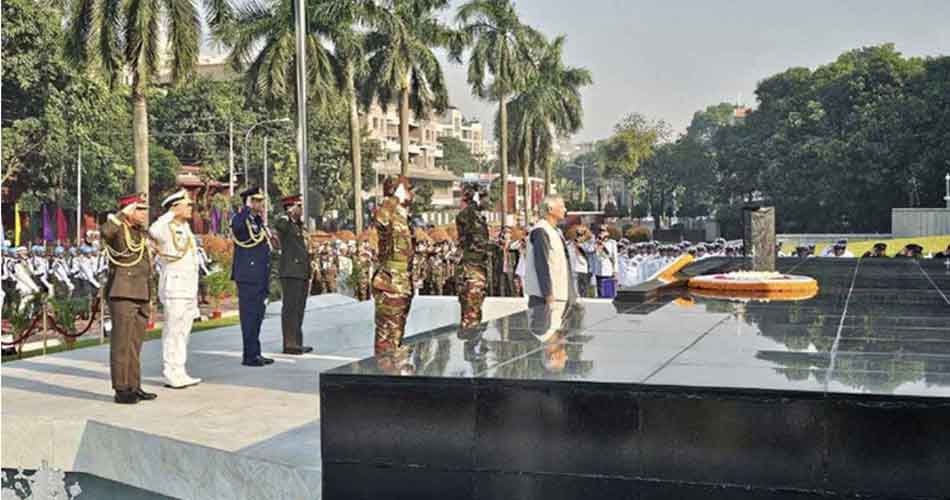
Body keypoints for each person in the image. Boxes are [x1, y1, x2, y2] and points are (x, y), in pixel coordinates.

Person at [101, 192, 156, 404]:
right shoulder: (117, 229)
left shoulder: (140, 233)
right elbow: (105, 232)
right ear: (129, 211)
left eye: (144, 209)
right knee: (122, 343)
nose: (144, 213)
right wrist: (120, 215)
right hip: (123, 292)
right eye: (139, 209)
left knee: (135, 344)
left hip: (141, 291)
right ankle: (122, 389)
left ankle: (134, 385)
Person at [148, 189, 202, 389]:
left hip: (188, 286)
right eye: (186, 204)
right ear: (176, 206)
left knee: (184, 330)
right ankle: (170, 371)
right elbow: (153, 231)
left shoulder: (185, 227)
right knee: (173, 329)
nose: (190, 208)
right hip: (174, 285)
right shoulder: (165, 226)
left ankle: (180, 369)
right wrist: (171, 212)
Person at [231, 186, 275, 367]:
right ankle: (249, 355)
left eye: (261, 201)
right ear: (249, 202)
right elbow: (239, 229)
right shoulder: (240, 219)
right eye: (256, 200)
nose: (261, 204)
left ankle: (255, 352)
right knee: (249, 316)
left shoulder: (258, 221)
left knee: (257, 316)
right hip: (248, 276)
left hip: (259, 275)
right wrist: (246, 210)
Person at [372, 176, 415, 355]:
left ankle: (393, 364)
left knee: (396, 330)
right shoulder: (388, 212)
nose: (412, 194)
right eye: (408, 189)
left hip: (402, 281)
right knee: (387, 334)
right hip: (390, 282)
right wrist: (393, 197)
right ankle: (384, 368)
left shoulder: (403, 216)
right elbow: (380, 219)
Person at [272, 194, 314, 355]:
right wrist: (288, 213)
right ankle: (289, 343)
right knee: (290, 309)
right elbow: (279, 224)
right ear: (291, 208)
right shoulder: (285, 224)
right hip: (291, 272)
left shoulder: (298, 226)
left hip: (301, 272)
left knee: (299, 309)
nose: (302, 210)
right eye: (299, 206)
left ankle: (297, 341)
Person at [525, 195, 575, 307]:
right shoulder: (541, 231)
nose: (565, 210)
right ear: (550, 209)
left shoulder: (555, 231)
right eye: (562, 206)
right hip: (545, 299)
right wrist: (548, 295)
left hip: (560, 295)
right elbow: (541, 264)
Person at [456, 183, 492, 329]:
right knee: (470, 315)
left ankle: (473, 345)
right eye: (485, 198)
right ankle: (471, 345)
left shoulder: (477, 216)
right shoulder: (470, 215)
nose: (488, 202)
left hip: (477, 267)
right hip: (471, 269)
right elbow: (478, 241)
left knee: (474, 312)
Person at [567, 225, 592, 297]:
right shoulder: (569, 243)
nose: (580, 236)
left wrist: (579, 245)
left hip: (582, 269)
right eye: (578, 233)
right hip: (572, 268)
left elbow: (590, 250)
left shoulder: (587, 244)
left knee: (583, 290)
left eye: (582, 234)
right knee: (573, 289)